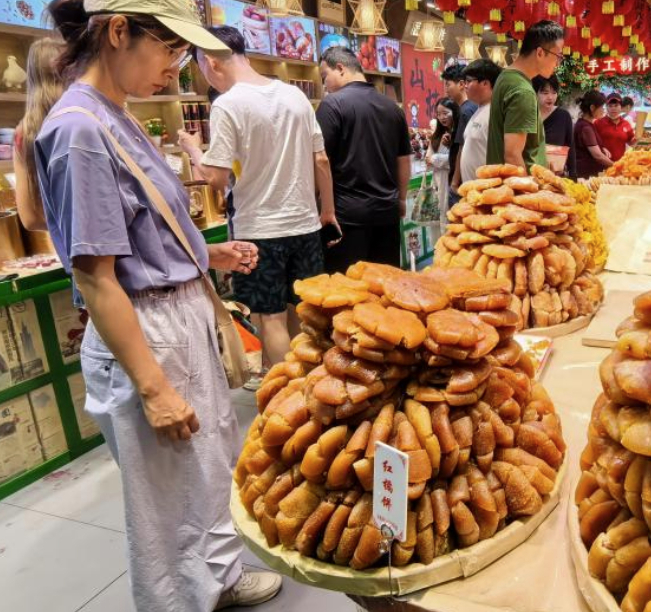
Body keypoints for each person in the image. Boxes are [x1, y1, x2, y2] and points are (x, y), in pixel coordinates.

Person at [34, 0, 280, 612]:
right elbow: (95, 274)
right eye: (169, 49)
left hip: (175, 315)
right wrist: (153, 386)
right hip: (146, 332)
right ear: (118, 32)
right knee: (164, 507)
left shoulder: (118, 114)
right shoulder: (80, 130)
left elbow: (142, 230)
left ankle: (222, 581)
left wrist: (209, 252)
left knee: (204, 471)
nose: (179, 66)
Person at [181, 25, 337, 389]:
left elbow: (216, 179)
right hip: (305, 225)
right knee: (303, 311)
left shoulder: (228, 104)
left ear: (210, 62)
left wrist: (191, 149)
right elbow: (322, 160)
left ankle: (292, 398)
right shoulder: (295, 96)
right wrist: (326, 211)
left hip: (259, 232)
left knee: (271, 318)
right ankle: (315, 387)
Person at [318, 45, 412, 270]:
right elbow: (404, 160)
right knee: (385, 287)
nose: (324, 85)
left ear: (340, 68)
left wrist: (323, 207)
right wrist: (400, 199)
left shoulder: (332, 105)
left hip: (347, 218)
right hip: (387, 214)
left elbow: (320, 159)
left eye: (325, 77)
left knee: (347, 291)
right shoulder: (393, 108)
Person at [487, 20, 565, 169]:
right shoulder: (522, 90)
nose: (558, 63)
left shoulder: (506, 77)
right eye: (558, 56)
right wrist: (530, 190)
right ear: (540, 53)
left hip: (505, 185)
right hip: (517, 190)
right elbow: (512, 156)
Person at [13, 37, 65, 232]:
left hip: (73, 251)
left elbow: (29, 219)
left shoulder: (24, 133)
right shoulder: (87, 116)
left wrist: (68, 231)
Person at [457, 59, 501, 184]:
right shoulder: (479, 109)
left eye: (469, 81)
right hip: (472, 191)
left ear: (485, 83)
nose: (465, 85)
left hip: (486, 191)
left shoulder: (495, 113)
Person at [443, 63, 477, 202]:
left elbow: (463, 149)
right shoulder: (470, 108)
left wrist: (454, 182)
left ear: (461, 84)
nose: (446, 90)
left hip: (462, 182)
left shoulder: (465, 111)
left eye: (448, 84)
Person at [534, 75, 576, 178]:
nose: (550, 97)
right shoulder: (528, 115)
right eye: (545, 93)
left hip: (556, 176)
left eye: (554, 92)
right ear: (534, 93)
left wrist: (573, 176)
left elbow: (570, 147)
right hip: (532, 175)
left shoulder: (563, 116)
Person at [428, 97, 459, 223]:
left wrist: (435, 159)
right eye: (439, 114)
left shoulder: (457, 133)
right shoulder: (437, 135)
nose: (442, 117)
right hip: (436, 182)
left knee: (448, 220)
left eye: (445, 113)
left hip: (449, 181)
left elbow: (453, 160)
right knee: (437, 222)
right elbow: (427, 160)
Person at [573, 90, 613, 179]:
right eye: (602, 107)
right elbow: (598, 156)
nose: (603, 110)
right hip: (586, 175)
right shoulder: (586, 127)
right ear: (592, 108)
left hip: (587, 173)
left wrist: (603, 148)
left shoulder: (586, 124)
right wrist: (615, 165)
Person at [594, 92, 635, 162]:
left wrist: (637, 138)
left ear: (621, 107)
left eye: (616, 105)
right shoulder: (598, 123)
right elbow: (593, 144)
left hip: (620, 164)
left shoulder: (626, 124)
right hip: (602, 164)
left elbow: (630, 142)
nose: (613, 108)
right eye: (610, 106)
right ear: (606, 107)